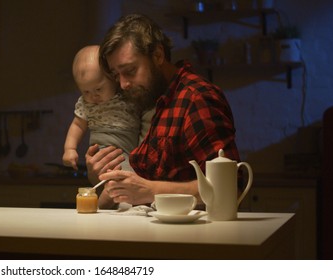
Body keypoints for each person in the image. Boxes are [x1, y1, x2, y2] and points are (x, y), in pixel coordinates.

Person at [87, 14, 240, 209]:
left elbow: (229, 188)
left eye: (130, 70)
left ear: (158, 55)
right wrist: (102, 177)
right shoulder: (157, 101)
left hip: (196, 236)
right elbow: (142, 186)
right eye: (117, 75)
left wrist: (150, 190)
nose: (123, 84)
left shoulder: (197, 98)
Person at [63, 45, 141, 172]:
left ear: (113, 78)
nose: (93, 96)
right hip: (102, 149)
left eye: (98, 89)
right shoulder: (86, 104)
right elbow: (78, 125)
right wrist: (70, 149)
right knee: (120, 178)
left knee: (121, 181)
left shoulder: (126, 94)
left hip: (129, 147)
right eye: (86, 92)